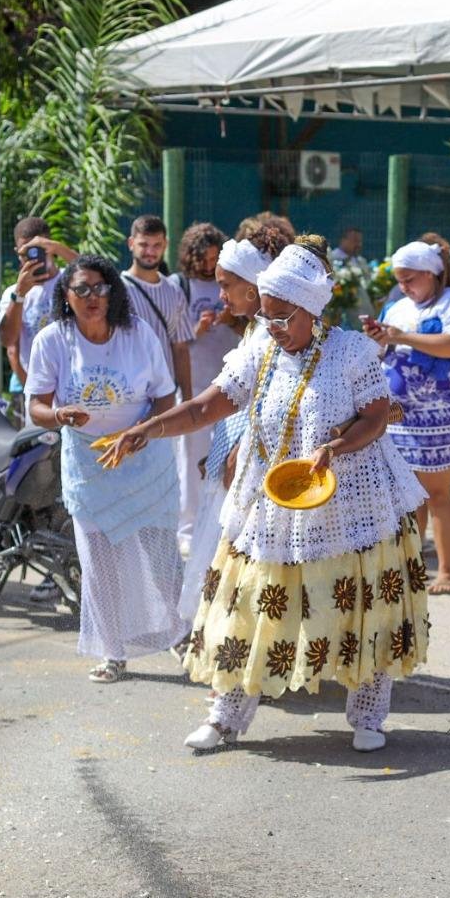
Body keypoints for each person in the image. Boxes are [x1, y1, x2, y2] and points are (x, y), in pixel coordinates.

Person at [100, 237, 429, 753]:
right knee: (247, 606)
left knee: (361, 606)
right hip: (271, 503)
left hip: (353, 503)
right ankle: (226, 718)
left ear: (311, 311)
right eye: (268, 316)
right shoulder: (261, 348)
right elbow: (209, 404)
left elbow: (376, 416)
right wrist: (149, 428)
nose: (273, 327)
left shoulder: (352, 353)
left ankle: (368, 716)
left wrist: (336, 447)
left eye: (283, 318)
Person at [25, 255, 186, 682]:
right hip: (88, 464)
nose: (92, 297)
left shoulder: (139, 334)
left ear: (113, 291)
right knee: (99, 562)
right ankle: (113, 652)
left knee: (160, 553)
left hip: (144, 459)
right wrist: (60, 415)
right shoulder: (52, 340)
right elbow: (36, 406)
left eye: (100, 288)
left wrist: (139, 434)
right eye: (82, 289)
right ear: (66, 295)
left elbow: (166, 398)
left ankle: (185, 637)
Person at [175, 224, 292, 624]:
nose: (220, 295)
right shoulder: (257, 330)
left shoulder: (271, 335)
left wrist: (236, 454)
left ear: (254, 286)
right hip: (236, 451)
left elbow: (266, 407)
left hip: (254, 465)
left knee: (243, 554)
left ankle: (237, 642)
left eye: (225, 285)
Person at [365, 240, 450, 595]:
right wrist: (380, 338)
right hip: (398, 413)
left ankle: (447, 572)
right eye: (400, 280)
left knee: (437, 493)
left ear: (431, 274)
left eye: (410, 279)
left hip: (436, 413)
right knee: (407, 494)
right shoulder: (397, 307)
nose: (404, 287)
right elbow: (381, 350)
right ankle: (412, 566)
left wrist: (402, 336)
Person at [171, 221, 240, 557]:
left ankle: (220, 523)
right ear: (190, 256)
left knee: (225, 456)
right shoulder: (180, 286)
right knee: (190, 460)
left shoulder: (228, 283)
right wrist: (197, 329)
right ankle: (187, 527)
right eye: (204, 258)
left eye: (215, 257)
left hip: (226, 382)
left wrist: (232, 320)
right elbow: (175, 340)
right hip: (195, 384)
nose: (209, 264)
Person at [0, 216, 75, 410]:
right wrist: (20, 295)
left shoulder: (71, 280)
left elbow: (96, 270)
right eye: (27, 251)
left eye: (39, 250)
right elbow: (8, 342)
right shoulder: (13, 293)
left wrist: (58, 247)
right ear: (17, 252)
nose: (33, 257)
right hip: (38, 390)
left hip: (75, 383)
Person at [123, 214, 194, 397]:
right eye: (143, 245)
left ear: (165, 245)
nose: (150, 252)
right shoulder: (118, 288)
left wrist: (187, 398)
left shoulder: (174, 289)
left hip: (165, 395)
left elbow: (180, 348)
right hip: (127, 394)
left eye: (156, 245)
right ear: (131, 244)